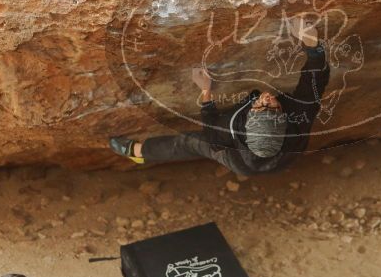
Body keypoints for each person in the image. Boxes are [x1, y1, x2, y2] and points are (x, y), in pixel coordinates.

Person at [109, 15, 331, 176]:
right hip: (287, 157)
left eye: (261, 106)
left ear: (248, 120)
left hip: (242, 164)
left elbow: (210, 124)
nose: (267, 98)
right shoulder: (298, 122)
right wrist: (311, 45)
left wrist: (206, 90)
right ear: (284, 120)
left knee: (188, 142)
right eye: (273, 107)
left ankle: (137, 152)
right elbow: (314, 82)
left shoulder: (228, 136)